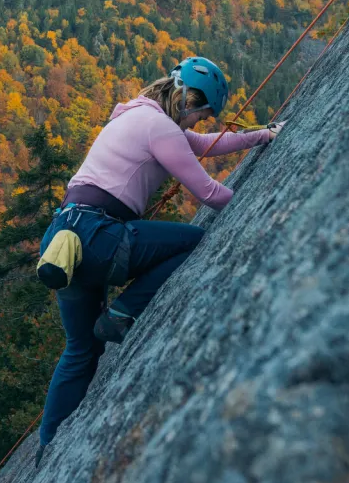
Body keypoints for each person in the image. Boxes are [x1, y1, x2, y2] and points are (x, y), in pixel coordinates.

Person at [33, 57, 282, 456]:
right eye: (202, 113)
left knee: (81, 349)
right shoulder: (159, 126)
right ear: (188, 101)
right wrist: (266, 208)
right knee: (193, 239)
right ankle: (122, 313)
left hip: (63, 238)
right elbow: (210, 194)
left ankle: (47, 446)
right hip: (101, 235)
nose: (200, 123)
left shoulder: (134, 115)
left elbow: (204, 146)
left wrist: (262, 136)